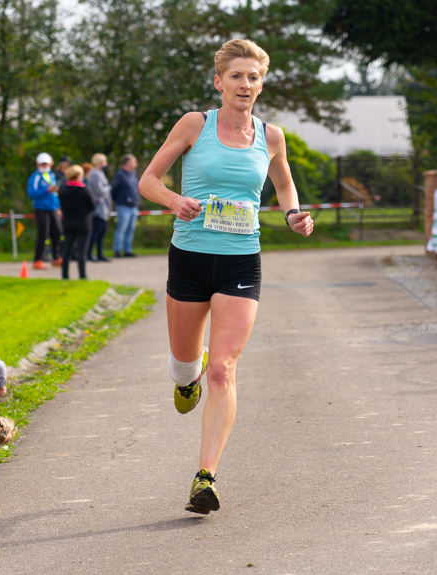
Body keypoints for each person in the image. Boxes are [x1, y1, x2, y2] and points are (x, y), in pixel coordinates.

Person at [139, 38, 313, 514]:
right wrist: (175, 201)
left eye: (253, 76)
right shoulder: (196, 125)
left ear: (262, 84)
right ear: (219, 82)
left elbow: (283, 183)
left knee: (223, 367)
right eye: (236, 75)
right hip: (191, 256)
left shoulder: (271, 136)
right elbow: (148, 180)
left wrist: (294, 214)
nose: (245, 84)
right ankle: (183, 378)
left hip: (241, 258)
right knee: (187, 363)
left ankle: (205, 477)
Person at [58, 164, 95, 280]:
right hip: (82, 223)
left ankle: (65, 275)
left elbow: (61, 205)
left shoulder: (63, 190)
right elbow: (92, 206)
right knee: (81, 251)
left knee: (67, 250)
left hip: (68, 223)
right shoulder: (84, 190)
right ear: (79, 176)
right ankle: (82, 275)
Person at [28, 153, 63, 270]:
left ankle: (56, 257)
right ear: (38, 164)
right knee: (43, 234)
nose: (44, 165)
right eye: (42, 164)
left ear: (50, 164)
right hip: (41, 209)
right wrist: (46, 190)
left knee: (57, 232)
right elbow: (32, 193)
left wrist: (58, 207)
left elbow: (55, 194)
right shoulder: (35, 177)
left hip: (53, 208)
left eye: (46, 163)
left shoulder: (51, 175)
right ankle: (38, 260)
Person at [110, 154, 139, 258]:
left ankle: (127, 250)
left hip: (133, 206)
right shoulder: (120, 175)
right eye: (134, 161)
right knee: (121, 229)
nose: (136, 163)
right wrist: (117, 200)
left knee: (130, 229)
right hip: (123, 206)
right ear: (127, 163)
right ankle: (117, 250)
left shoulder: (133, 174)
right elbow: (113, 189)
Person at [87, 153, 112, 262]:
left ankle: (100, 253)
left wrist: (106, 189)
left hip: (103, 207)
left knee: (101, 232)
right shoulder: (94, 174)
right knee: (95, 232)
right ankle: (89, 254)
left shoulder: (100, 173)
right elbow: (100, 190)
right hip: (97, 208)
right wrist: (108, 188)